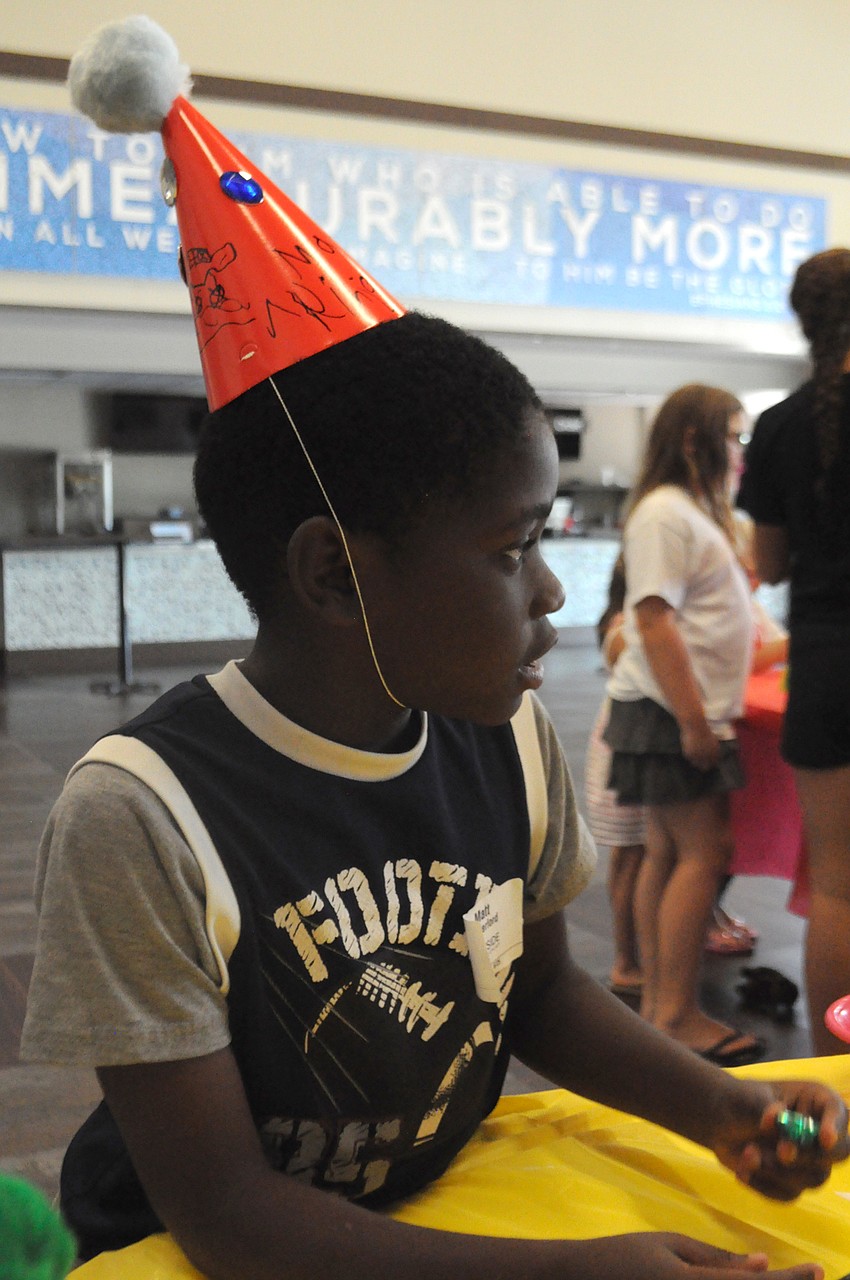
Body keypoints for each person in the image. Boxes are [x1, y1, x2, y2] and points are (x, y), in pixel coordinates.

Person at [19, 17, 850, 1280]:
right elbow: (228, 1214)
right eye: (512, 544)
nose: (552, 593)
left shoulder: (502, 729)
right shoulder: (141, 817)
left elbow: (545, 996)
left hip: (443, 1184)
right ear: (332, 573)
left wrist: (720, 1108)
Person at [604, 385, 764, 1065]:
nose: (740, 452)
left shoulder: (688, 512)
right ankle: (676, 1014)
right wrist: (697, 722)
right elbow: (652, 617)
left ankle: (661, 1007)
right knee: (705, 854)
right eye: (734, 436)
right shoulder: (666, 513)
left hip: (669, 709)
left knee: (668, 853)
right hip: (672, 711)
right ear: (697, 440)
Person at [739, 247, 850, 1056]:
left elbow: (769, 565)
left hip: (826, 666)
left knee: (839, 890)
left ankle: (839, 1069)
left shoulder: (780, 426)